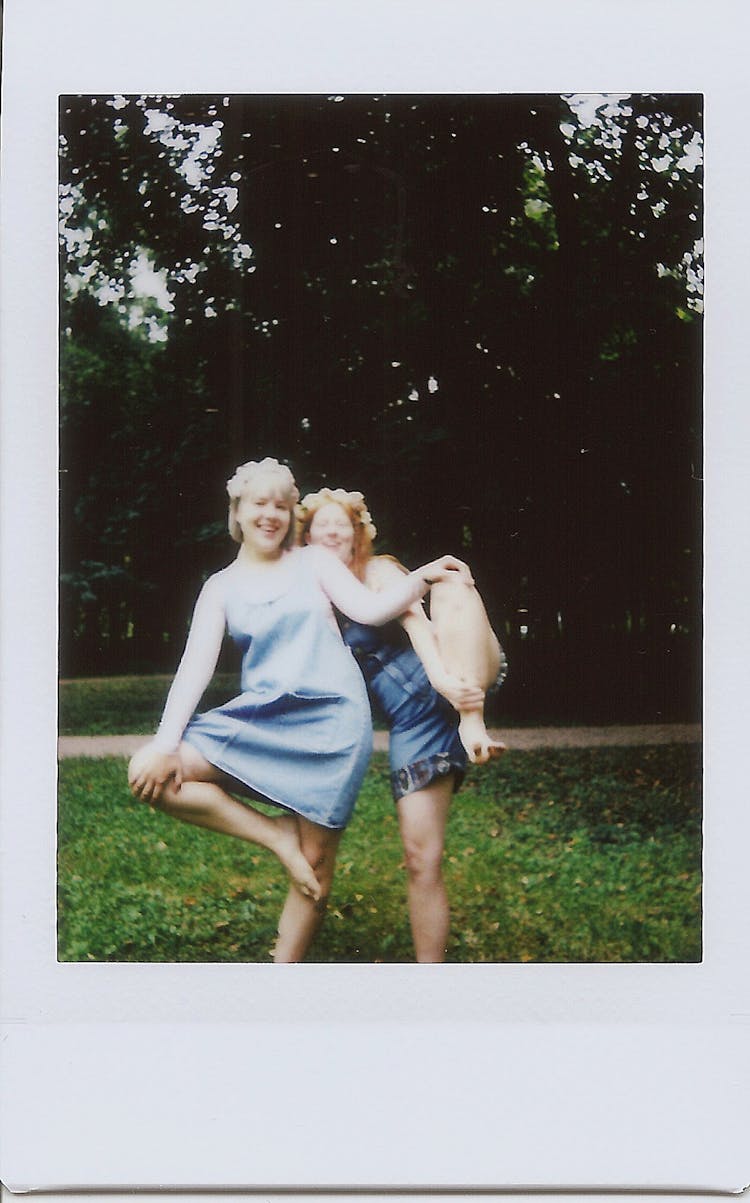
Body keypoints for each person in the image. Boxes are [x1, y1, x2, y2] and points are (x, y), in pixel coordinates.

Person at [127, 457, 469, 962]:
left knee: (317, 869)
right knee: (150, 774)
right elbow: (194, 670)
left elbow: (370, 609)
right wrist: (163, 744)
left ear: (291, 514)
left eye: (282, 506)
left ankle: (280, 979)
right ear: (238, 512)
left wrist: (421, 577)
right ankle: (277, 835)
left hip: (333, 720)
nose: (271, 514)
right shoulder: (220, 587)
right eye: (259, 504)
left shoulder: (314, 562)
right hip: (261, 715)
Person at [297, 486, 506, 962]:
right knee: (420, 858)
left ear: (357, 534)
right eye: (320, 525)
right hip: (416, 724)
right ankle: (429, 978)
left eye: (341, 524)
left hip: (460, 672)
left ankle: (473, 723)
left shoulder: (378, 570)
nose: (331, 531)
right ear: (306, 537)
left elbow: (416, 623)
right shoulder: (315, 598)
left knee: (450, 582)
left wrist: (451, 688)